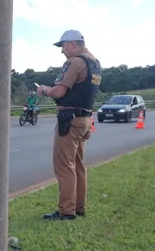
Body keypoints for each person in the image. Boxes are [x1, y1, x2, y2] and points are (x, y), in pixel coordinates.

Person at [36, 29, 102, 221]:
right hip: (85, 119)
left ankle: (66, 211)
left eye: (63, 46)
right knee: (78, 165)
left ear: (72, 44)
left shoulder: (75, 62)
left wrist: (44, 90)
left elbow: (58, 92)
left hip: (70, 119)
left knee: (64, 166)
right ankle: (79, 207)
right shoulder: (94, 63)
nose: (62, 51)